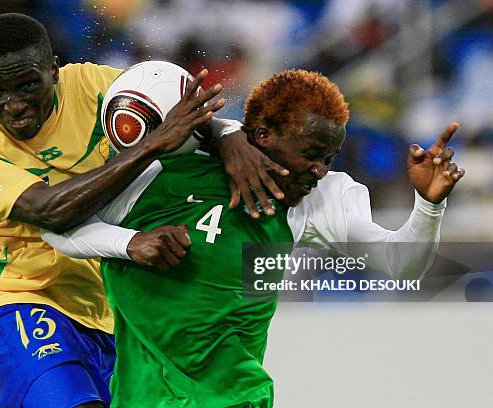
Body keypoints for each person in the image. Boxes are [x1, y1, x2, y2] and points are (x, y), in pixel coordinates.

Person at [42, 69, 465, 407]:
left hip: (237, 397)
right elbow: (55, 227)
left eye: (329, 158)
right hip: (142, 396)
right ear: (264, 136)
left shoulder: (315, 202)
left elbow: (401, 264)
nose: (319, 170)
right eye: (312, 153)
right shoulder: (158, 176)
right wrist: (129, 244)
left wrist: (429, 205)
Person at [0, 13, 286, 408]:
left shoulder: (95, 87)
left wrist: (229, 136)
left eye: (27, 84)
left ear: (54, 70)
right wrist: (151, 146)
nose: (13, 104)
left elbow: (184, 116)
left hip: (112, 315)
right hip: (18, 300)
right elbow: (50, 212)